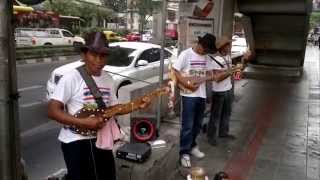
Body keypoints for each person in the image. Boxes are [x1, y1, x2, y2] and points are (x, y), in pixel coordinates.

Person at [47, 31, 141, 180]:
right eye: (93, 54)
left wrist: (136, 106)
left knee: (108, 176)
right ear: (84, 55)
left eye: (103, 55)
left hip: (101, 139)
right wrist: (82, 122)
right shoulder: (71, 78)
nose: (98, 60)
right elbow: (52, 111)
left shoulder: (108, 79)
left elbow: (112, 109)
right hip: (75, 142)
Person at [173, 33, 217, 168]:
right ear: (199, 44)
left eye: (207, 50)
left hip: (201, 95)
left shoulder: (207, 57)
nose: (205, 51)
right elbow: (175, 71)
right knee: (187, 125)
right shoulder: (186, 54)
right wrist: (186, 84)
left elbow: (210, 73)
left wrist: (210, 77)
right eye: (204, 48)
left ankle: (192, 146)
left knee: (198, 124)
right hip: (188, 96)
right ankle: (184, 153)